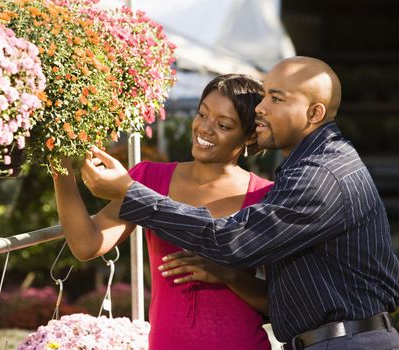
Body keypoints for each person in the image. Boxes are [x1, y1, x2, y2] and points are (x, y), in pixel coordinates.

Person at [81, 56, 399, 350]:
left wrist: (131, 192)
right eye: (264, 97)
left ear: (313, 113)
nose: (260, 107)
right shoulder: (311, 165)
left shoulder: (321, 175)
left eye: (276, 98)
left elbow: (234, 241)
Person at [54, 74, 274, 349]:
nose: (204, 129)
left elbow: (277, 302)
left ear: (249, 135)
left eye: (223, 124)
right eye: (202, 114)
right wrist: (59, 165)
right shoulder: (148, 179)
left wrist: (227, 274)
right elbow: (86, 244)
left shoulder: (266, 196)